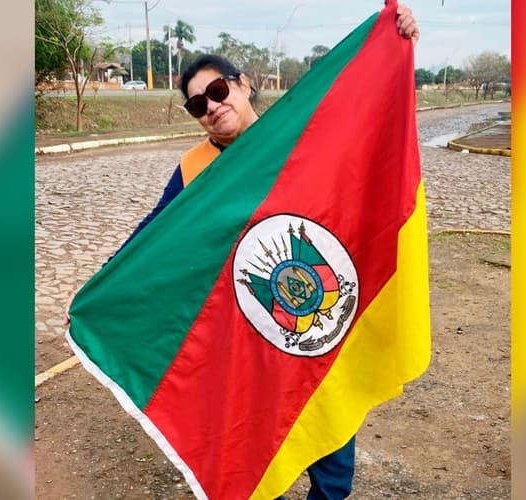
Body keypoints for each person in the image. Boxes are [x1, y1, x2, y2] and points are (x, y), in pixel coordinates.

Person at [67, 4, 420, 498]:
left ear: (243, 84)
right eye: (197, 105)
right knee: (253, 434)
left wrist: (396, 44)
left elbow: (366, 127)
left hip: (314, 314)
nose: (211, 106)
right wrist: (105, 284)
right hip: (245, 327)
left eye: (217, 91)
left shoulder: (301, 140)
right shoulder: (193, 168)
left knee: (328, 423)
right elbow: (156, 236)